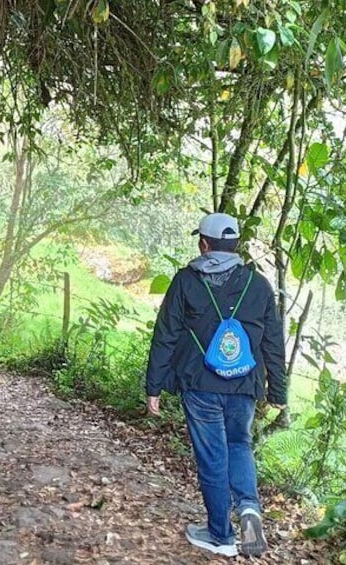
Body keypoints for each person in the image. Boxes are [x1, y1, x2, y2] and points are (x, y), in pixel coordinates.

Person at [145, 212, 287, 557]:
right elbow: (273, 343)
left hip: (200, 385)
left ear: (204, 244)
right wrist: (278, 392)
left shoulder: (186, 281)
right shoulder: (259, 285)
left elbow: (165, 335)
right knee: (239, 445)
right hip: (243, 386)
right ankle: (249, 508)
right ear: (235, 245)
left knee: (212, 456)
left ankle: (220, 535)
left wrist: (154, 387)